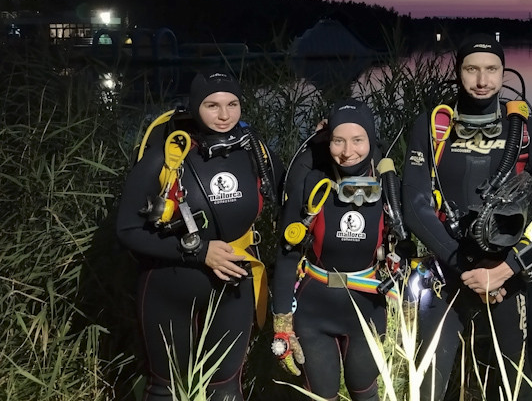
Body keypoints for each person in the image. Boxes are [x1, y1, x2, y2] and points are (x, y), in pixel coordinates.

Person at [402, 34, 532, 401]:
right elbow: (414, 206)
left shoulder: (522, 126)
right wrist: (461, 266)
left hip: (507, 277)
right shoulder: (432, 125)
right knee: (430, 386)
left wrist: (507, 267)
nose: (482, 80)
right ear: (458, 72)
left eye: (492, 70)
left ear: (503, 73)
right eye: (471, 69)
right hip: (446, 274)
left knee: (513, 388)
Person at [116, 69, 283, 401]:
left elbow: (297, 189)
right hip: (169, 286)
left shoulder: (255, 152)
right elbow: (127, 229)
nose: (224, 115)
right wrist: (198, 251)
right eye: (212, 105)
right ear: (194, 107)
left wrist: (331, 138)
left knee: (226, 390)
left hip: (234, 286)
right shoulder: (167, 154)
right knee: (165, 389)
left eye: (232, 104)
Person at [272, 98, 406, 401]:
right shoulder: (311, 185)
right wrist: (281, 321)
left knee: (365, 391)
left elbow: (408, 242)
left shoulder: (389, 188)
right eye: (338, 141)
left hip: (368, 310)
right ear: (327, 142)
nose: (348, 152)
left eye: (358, 140)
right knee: (321, 395)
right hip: (313, 312)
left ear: (371, 140)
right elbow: (286, 254)